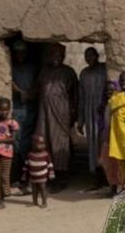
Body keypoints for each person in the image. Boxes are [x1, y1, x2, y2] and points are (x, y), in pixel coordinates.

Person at [34, 43, 78, 192]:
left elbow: (75, 94)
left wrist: (74, 112)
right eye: (53, 55)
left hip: (61, 112)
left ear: (63, 57)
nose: (55, 58)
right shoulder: (44, 71)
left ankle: (61, 178)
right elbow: (37, 88)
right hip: (44, 113)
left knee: (60, 144)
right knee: (43, 141)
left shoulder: (68, 72)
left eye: (58, 56)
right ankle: (43, 176)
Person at [76, 47, 108, 188]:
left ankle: (107, 178)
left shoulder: (104, 70)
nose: (89, 58)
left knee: (104, 144)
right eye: (86, 56)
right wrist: (81, 120)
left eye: (92, 55)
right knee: (92, 146)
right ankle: (95, 176)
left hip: (103, 113)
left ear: (97, 56)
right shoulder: (84, 74)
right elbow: (81, 97)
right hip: (90, 114)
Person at [10, 40, 39, 195]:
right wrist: (20, 92)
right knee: (16, 144)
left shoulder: (32, 68)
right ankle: (16, 178)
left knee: (28, 145)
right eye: (17, 52)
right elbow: (7, 80)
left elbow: (38, 83)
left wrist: (30, 94)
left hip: (30, 109)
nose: (20, 55)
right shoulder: (11, 68)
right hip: (16, 109)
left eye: (22, 52)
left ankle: (27, 178)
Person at [97, 81, 120, 197]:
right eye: (107, 90)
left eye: (112, 90)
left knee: (117, 164)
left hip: (117, 138)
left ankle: (120, 188)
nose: (109, 92)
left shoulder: (119, 103)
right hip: (107, 138)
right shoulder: (105, 105)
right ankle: (113, 187)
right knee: (107, 163)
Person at [21, 135, 55, 208]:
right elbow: (27, 164)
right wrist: (24, 173)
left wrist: (51, 173)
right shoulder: (30, 154)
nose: (42, 145)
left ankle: (44, 202)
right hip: (32, 176)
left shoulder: (46, 154)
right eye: (39, 143)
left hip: (42, 175)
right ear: (33, 144)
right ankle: (34, 202)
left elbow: (50, 165)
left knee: (43, 188)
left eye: (43, 143)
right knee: (34, 189)